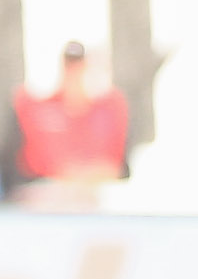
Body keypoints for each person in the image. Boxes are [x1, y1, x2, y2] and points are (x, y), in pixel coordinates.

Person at [14, 40, 130, 192]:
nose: (75, 73)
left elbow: (115, 166)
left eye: (79, 66)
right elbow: (35, 166)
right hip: (49, 196)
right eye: (70, 67)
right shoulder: (38, 112)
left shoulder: (111, 108)